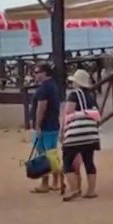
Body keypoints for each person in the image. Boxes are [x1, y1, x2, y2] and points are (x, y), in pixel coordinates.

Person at [61, 69, 101, 201]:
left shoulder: (73, 95)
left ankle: (74, 189)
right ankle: (91, 190)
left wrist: (63, 131)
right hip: (90, 134)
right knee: (89, 161)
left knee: (67, 161)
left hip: (76, 133)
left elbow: (68, 113)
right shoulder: (91, 96)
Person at [29, 63, 64, 194]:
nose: (35, 75)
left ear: (45, 73)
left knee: (44, 155)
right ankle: (55, 181)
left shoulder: (44, 88)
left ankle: (48, 182)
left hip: (46, 127)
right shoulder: (52, 86)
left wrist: (37, 125)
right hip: (52, 124)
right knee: (51, 153)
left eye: (38, 72)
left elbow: (41, 108)